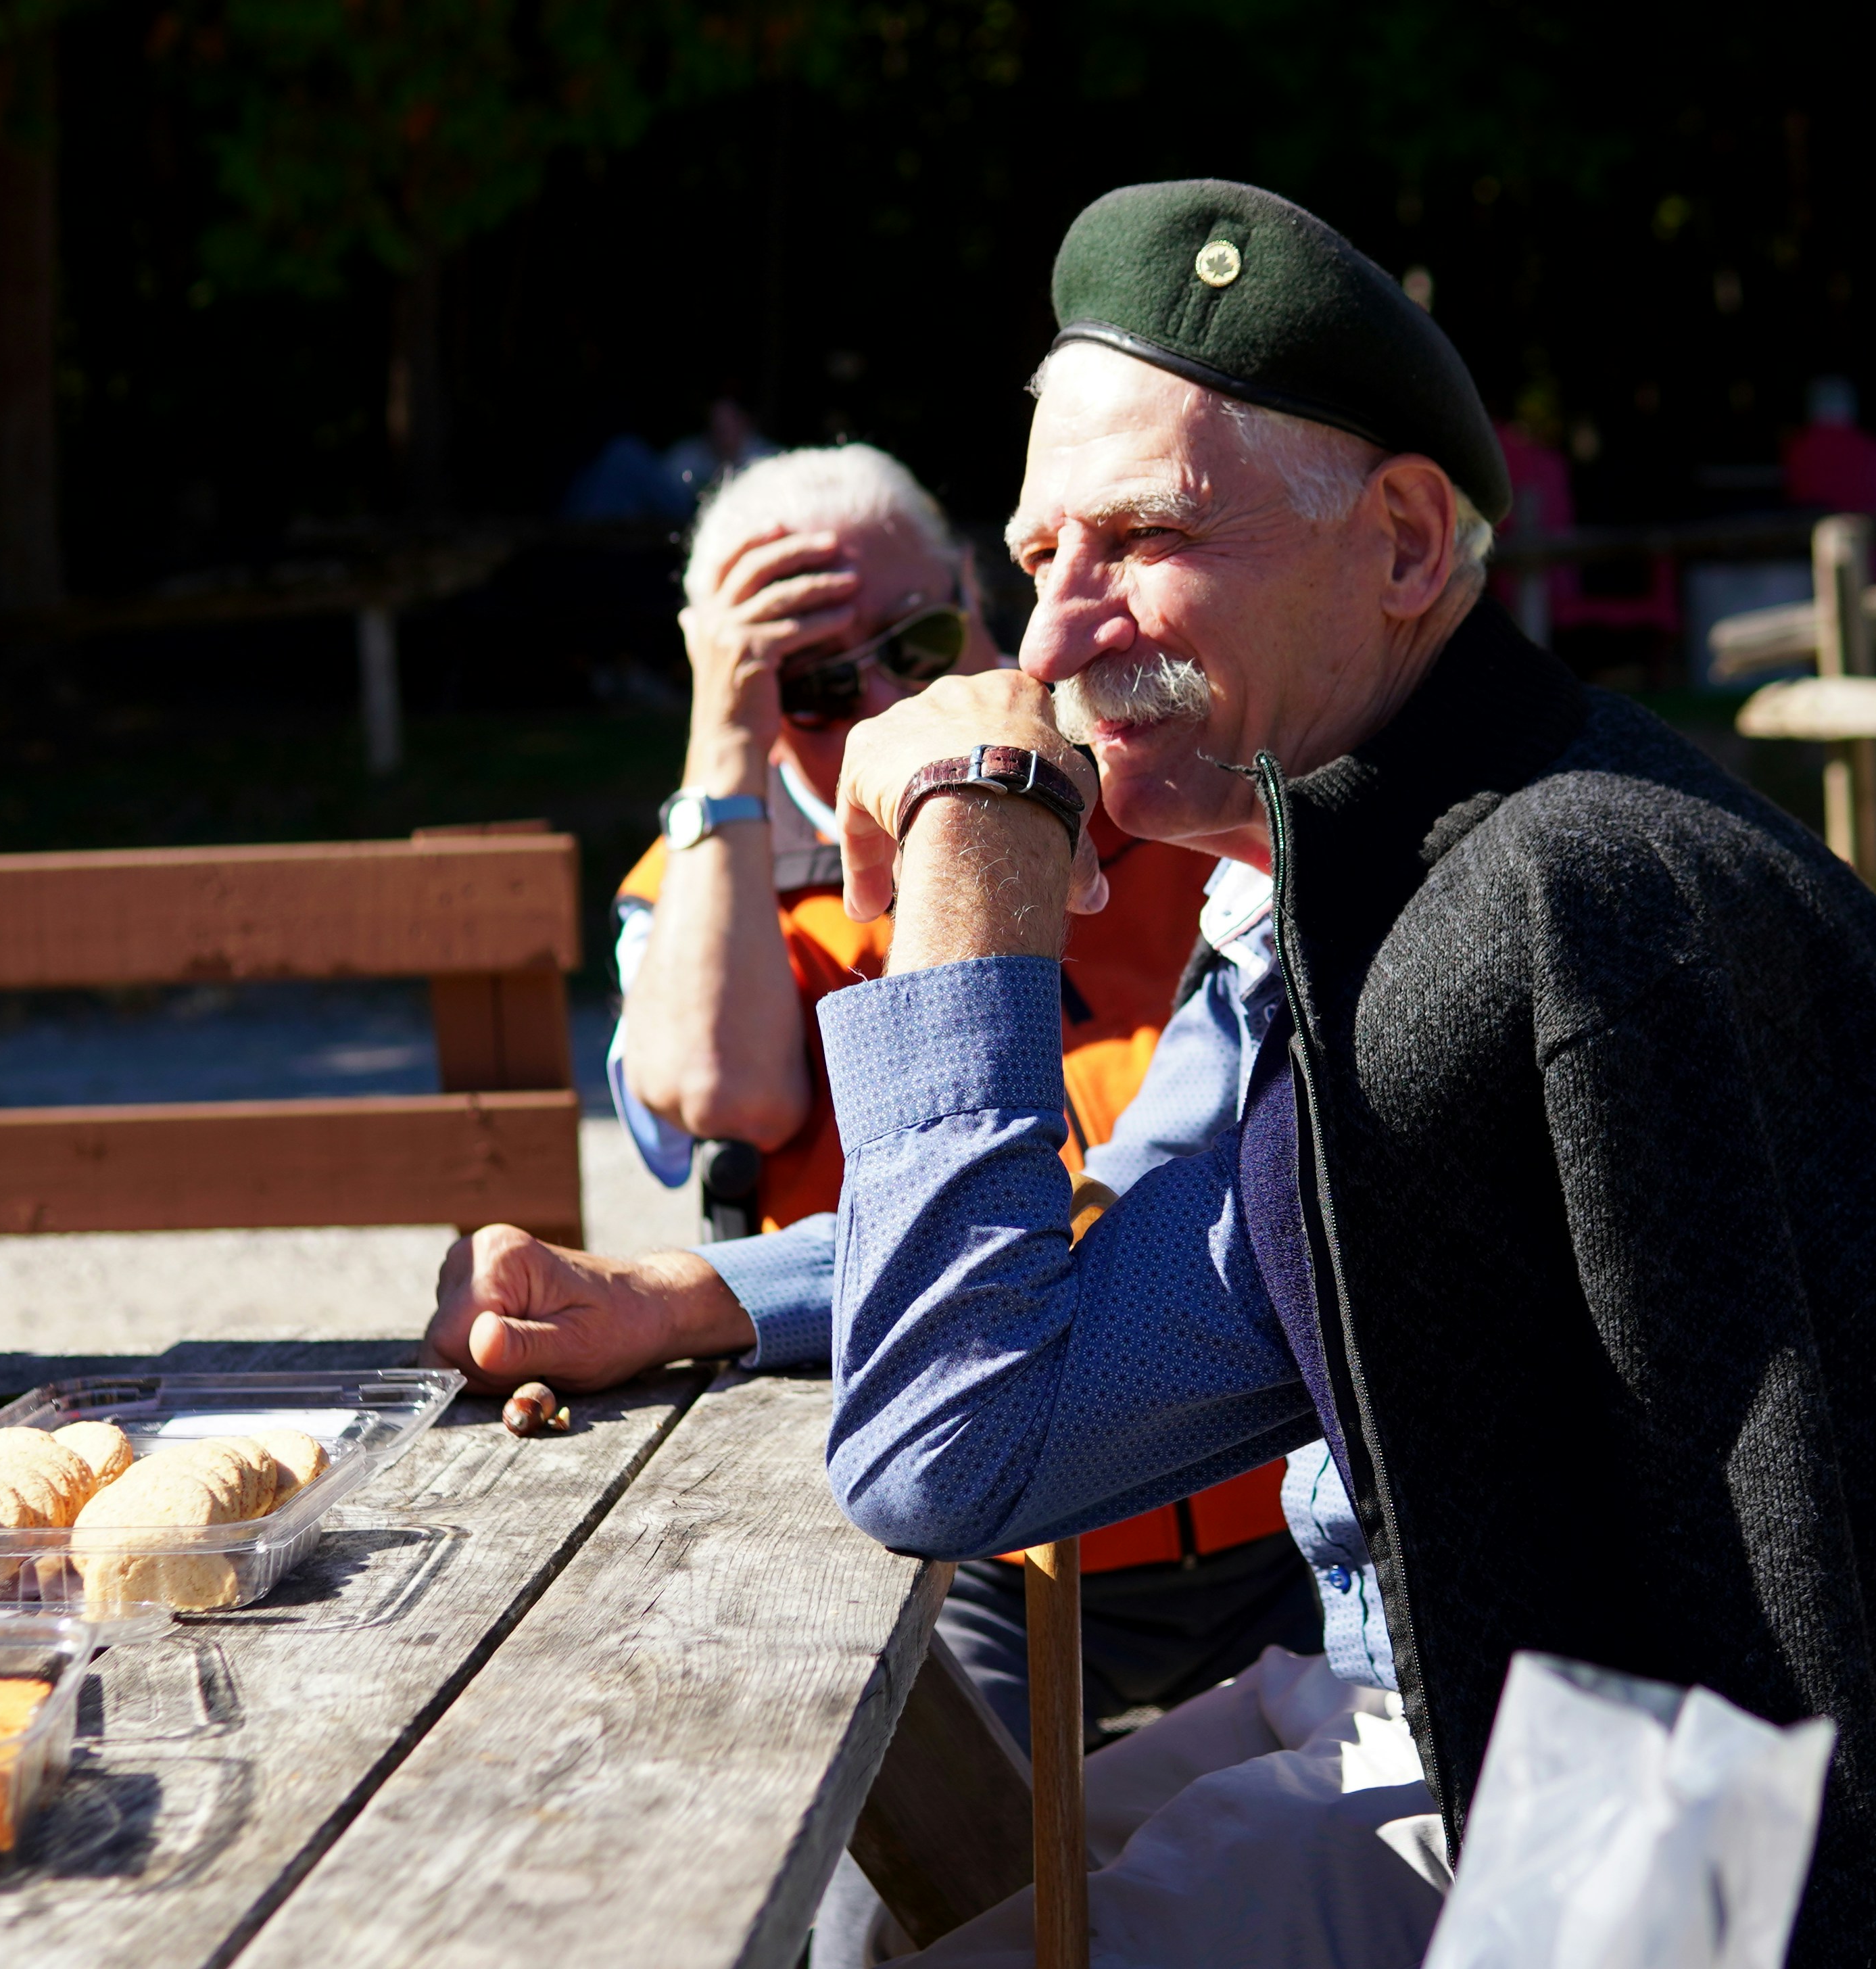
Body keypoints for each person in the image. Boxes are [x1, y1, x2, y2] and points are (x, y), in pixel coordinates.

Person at [792, 182, 1876, 1968]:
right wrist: (722, 1297)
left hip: (1617, 1860)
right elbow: (1156, 1276)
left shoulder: (1555, 921)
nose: (1047, 644)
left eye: (1139, 538)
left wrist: (978, 870)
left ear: (1408, 544)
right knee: (858, 1899)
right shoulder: (1411, 867)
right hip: (1451, 1739)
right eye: (1040, 557)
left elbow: (957, 1443)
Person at [431, 443, 1316, 1753]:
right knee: (924, 1889)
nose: (888, 694)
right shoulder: (724, 873)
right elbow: (719, 1094)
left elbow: (1154, 1176)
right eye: (817, 680)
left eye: (920, 637)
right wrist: (723, 754)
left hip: (1263, 1485)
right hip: (977, 1549)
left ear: (976, 587)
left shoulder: (1146, 794)